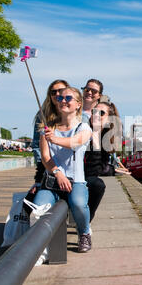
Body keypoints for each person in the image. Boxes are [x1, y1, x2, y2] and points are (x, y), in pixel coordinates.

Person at [33, 86, 93, 261]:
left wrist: (55, 138)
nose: (63, 101)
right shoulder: (48, 127)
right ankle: (43, 243)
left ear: (78, 104)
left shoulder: (84, 127)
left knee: (79, 204)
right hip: (53, 179)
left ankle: (84, 233)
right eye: (60, 98)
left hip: (76, 181)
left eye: (68, 98)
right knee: (40, 207)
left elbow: (76, 142)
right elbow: (45, 157)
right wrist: (58, 173)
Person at [84, 101, 123, 222]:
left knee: (98, 185)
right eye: (94, 112)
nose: (96, 115)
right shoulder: (82, 130)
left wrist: (96, 134)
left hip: (84, 176)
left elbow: (95, 171)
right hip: (68, 175)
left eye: (101, 113)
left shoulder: (105, 140)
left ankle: (85, 223)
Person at [31, 80, 70, 188]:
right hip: (48, 167)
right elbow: (36, 146)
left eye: (61, 91)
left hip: (71, 168)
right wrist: (43, 170)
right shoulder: (42, 116)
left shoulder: (78, 116)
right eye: (53, 92)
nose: (57, 94)